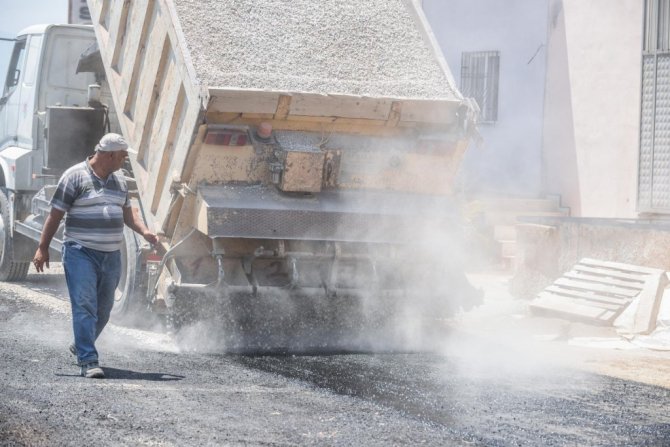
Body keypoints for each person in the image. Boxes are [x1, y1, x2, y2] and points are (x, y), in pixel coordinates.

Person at [33, 133, 158, 379]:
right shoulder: (74, 176)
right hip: (80, 252)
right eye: (122, 156)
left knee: (104, 309)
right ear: (109, 155)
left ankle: (82, 342)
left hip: (110, 256)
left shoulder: (120, 180)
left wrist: (145, 232)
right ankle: (88, 360)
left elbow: (128, 215)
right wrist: (42, 247)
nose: (124, 160)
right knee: (85, 304)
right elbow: (55, 215)